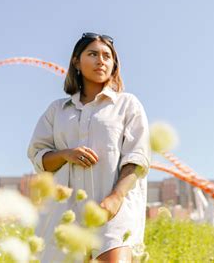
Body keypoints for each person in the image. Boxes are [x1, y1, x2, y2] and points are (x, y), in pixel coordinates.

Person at [27, 32, 151, 262]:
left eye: (107, 56)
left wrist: (115, 198)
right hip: (64, 215)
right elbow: (38, 157)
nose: (100, 60)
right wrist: (66, 154)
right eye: (92, 54)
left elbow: (138, 158)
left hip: (113, 209)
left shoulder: (127, 105)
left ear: (114, 65)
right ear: (76, 61)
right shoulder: (57, 110)